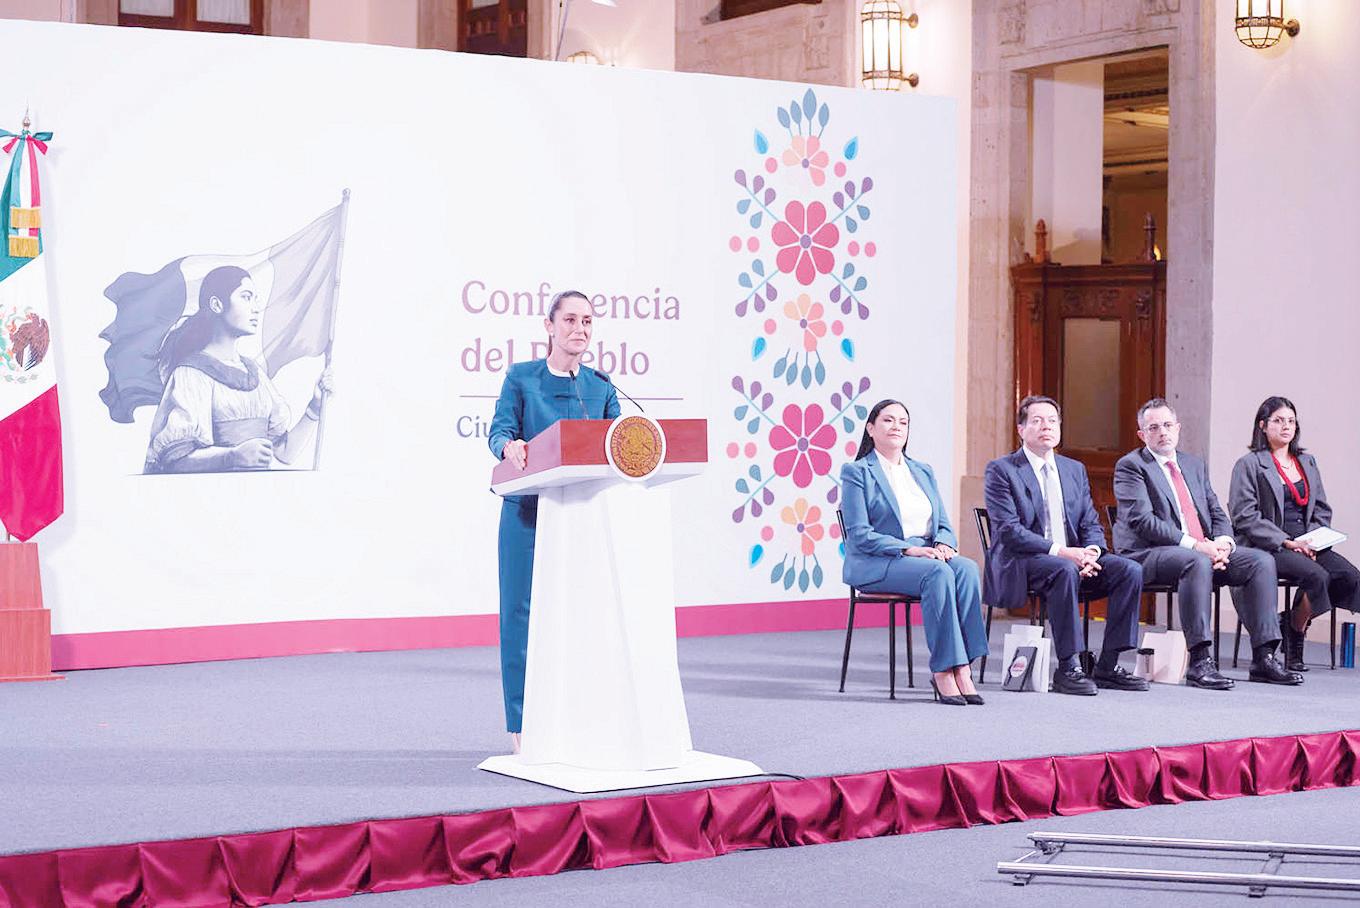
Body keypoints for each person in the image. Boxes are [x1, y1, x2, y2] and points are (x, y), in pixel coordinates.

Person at [488, 290, 621, 753]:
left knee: (581, 616)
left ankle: (580, 720)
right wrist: (509, 446)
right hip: (527, 514)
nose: (579, 329)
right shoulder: (521, 378)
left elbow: (620, 444)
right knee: (521, 618)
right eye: (570, 320)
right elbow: (500, 431)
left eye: (587, 321)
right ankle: (523, 724)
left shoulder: (602, 387)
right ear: (549, 326)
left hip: (581, 518)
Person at [1113, 398, 1299, 688]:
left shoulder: (1193, 464)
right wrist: (1197, 546)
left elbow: (1215, 510)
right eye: (1153, 428)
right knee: (1196, 561)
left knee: (1261, 560)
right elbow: (1142, 521)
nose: (1162, 432)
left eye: (1167, 425)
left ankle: (1264, 658)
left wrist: (1223, 544)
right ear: (1142, 435)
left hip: (1201, 551)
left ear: (1178, 428)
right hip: (1147, 553)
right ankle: (1200, 661)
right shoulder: (1131, 466)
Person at [982, 395, 1147, 696]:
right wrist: (1064, 553)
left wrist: (1091, 552)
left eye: (1052, 421)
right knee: (1062, 570)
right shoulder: (1002, 470)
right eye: (1037, 421)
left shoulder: (1073, 469)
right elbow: (1009, 532)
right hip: (1023, 560)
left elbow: (1089, 522)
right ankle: (1069, 667)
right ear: (1021, 429)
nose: (1046, 426)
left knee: (1129, 570)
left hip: (1072, 559)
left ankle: (1108, 665)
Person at [839, 400, 989, 705]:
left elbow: (942, 522)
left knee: (966, 568)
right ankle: (943, 669)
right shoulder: (856, 472)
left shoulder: (923, 470)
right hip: (878, 561)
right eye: (888, 420)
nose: (896, 426)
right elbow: (859, 534)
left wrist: (943, 543)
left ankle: (963, 665)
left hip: (924, 555)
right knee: (937, 572)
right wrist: (910, 549)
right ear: (871, 428)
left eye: (903, 422)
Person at [144, 265, 331, 473]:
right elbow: (175, 462)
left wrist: (314, 407)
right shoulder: (191, 374)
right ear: (217, 305)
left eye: (255, 299)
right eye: (246, 297)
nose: (256, 308)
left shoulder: (254, 373)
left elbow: (284, 453)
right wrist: (232, 456)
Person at [1229, 396, 1359, 672]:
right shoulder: (1249, 464)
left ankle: (1292, 624)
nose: (1286, 426)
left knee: (1349, 577)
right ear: (1263, 426)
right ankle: (1297, 636)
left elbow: (1321, 508)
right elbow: (1244, 515)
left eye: (1291, 421)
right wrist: (1288, 542)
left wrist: (1313, 540)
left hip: (1308, 542)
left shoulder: (1306, 462)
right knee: (1317, 576)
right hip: (1270, 545)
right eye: (1278, 421)